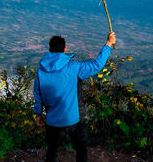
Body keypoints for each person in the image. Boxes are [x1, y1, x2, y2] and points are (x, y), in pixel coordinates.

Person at [34, 32, 116, 162]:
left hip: (52, 119)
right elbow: (96, 65)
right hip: (71, 118)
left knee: (52, 149)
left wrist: (38, 114)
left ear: (50, 48)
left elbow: (38, 95)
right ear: (64, 49)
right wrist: (108, 44)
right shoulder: (73, 67)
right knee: (81, 147)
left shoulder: (40, 71)